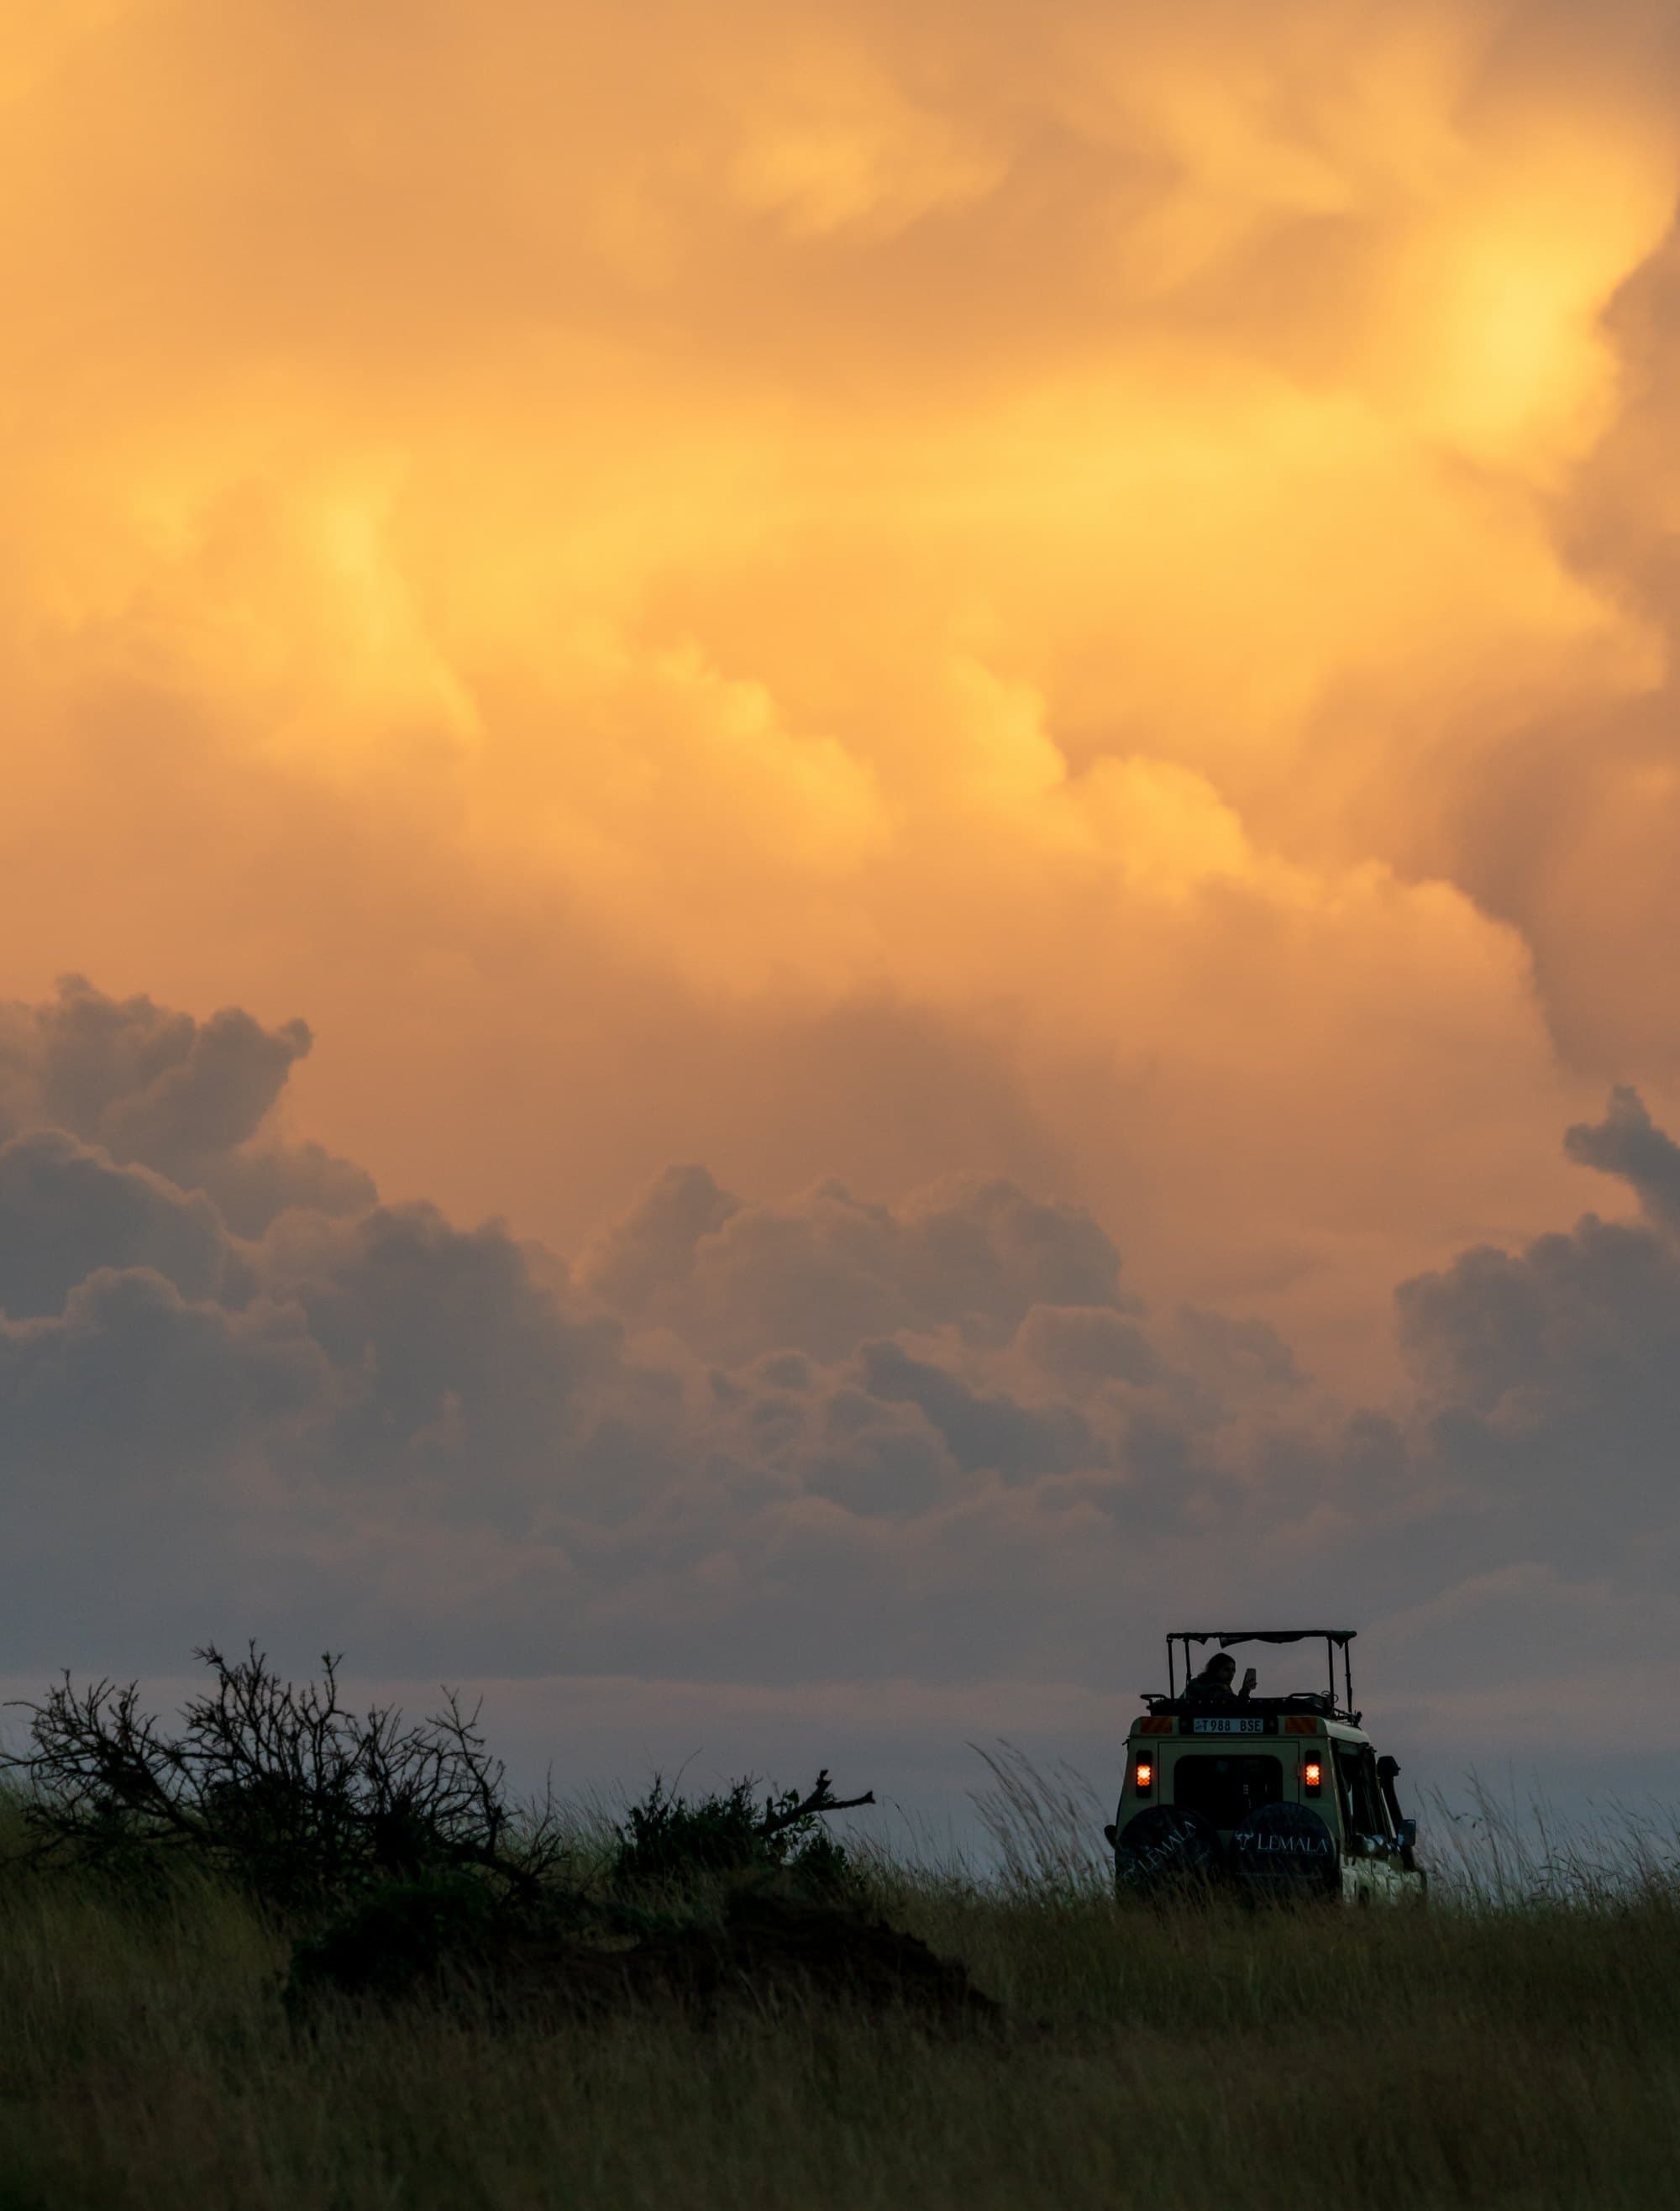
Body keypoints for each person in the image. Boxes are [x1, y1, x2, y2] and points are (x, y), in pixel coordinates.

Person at [1182, 1652, 1258, 1704]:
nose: (1231, 1674)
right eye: (1227, 1670)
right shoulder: (1216, 1689)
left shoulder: (1195, 1683)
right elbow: (1235, 1708)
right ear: (1216, 1670)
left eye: (1233, 1670)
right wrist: (1245, 1691)